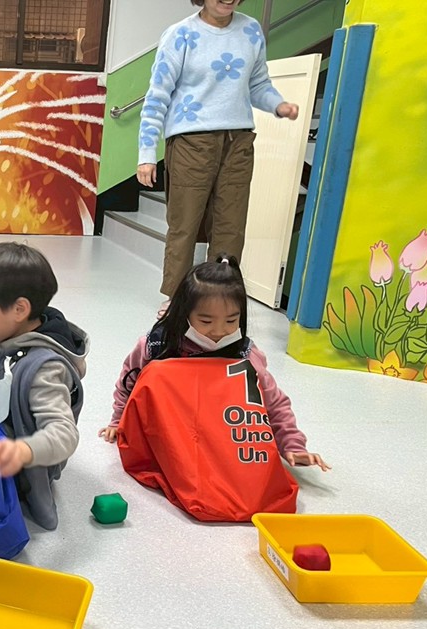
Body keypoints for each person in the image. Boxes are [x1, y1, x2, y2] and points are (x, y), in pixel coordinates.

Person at [137, 0, 300, 308]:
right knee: (184, 225)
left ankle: (219, 298)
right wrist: (146, 153)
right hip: (191, 141)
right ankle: (177, 299)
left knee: (231, 227)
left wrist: (278, 105)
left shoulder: (251, 29)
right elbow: (157, 96)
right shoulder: (180, 34)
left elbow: (258, 84)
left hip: (238, 141)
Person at [99, 258, 328, 471]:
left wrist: (292, 444)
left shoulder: (245, 356)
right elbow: (129, 383)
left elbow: (273, 403)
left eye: (231, 320)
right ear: (184, 314)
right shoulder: (157, 345)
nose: (219, 331)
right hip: (167, 431)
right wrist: (119, 421)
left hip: (216, 438)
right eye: (206, 321)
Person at [0, 243, 88, 530]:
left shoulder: (44, 370)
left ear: (19, 309)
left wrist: (24, 451)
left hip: (16, 461)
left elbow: (64, 434)